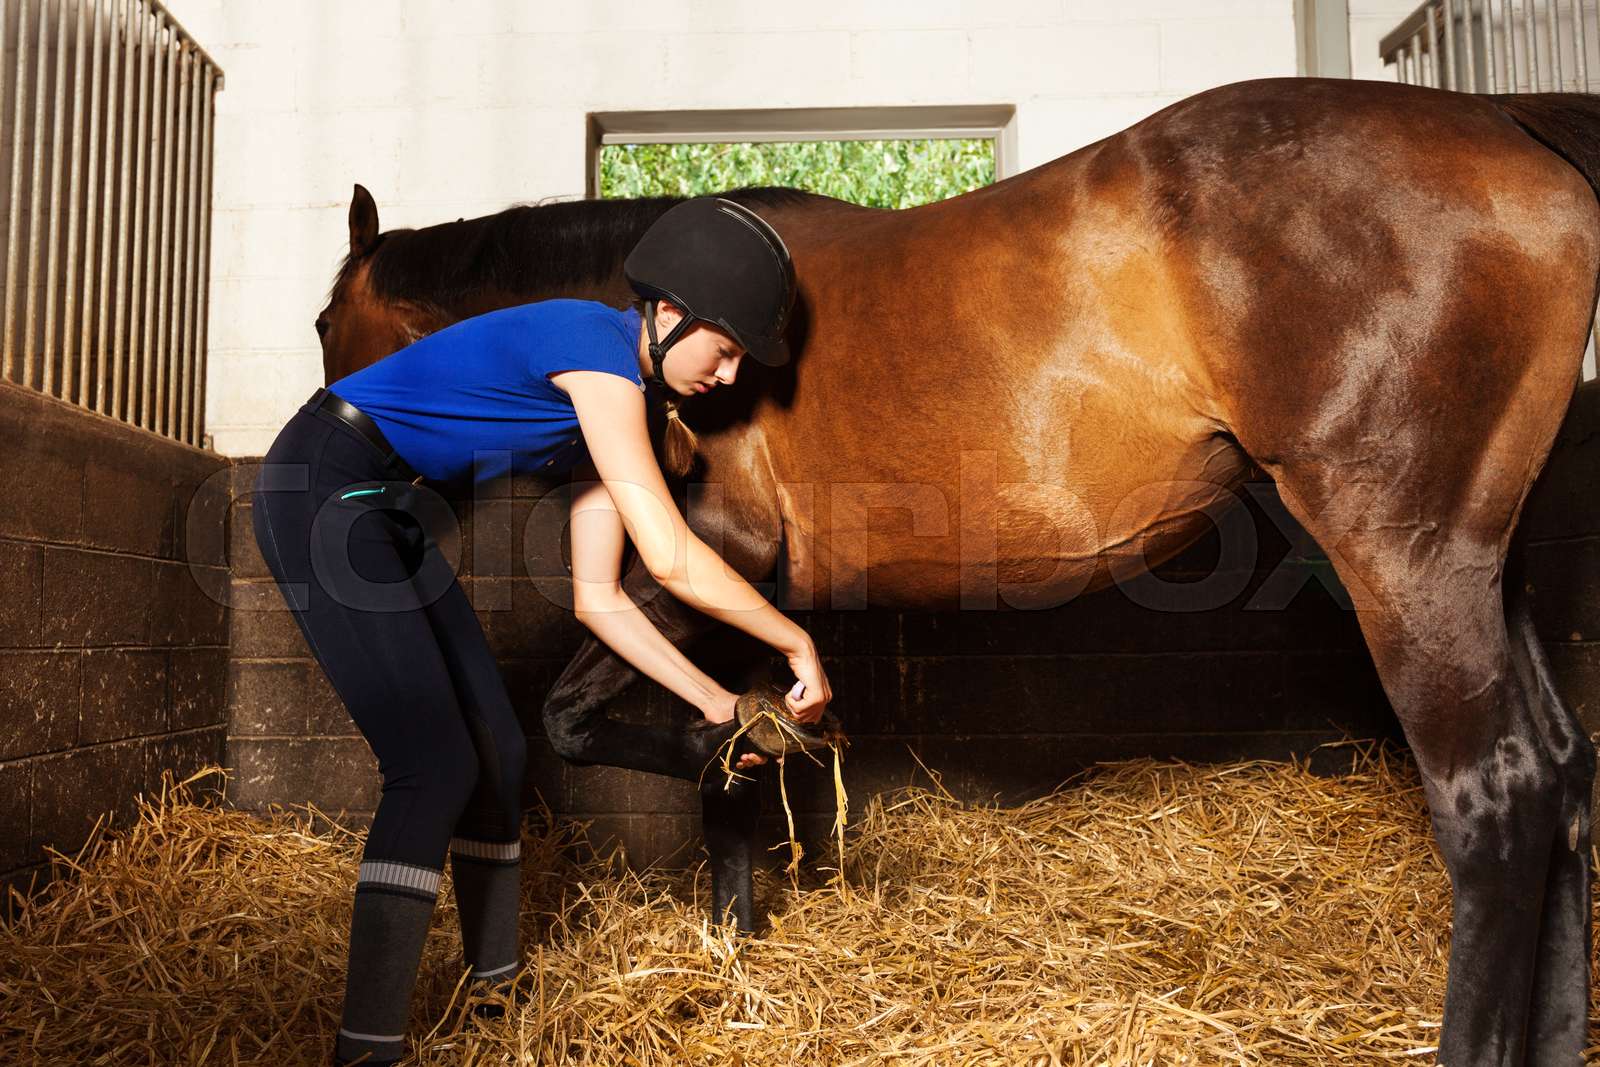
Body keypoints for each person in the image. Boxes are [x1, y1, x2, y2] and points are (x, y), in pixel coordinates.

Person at [249, 196, 833, 1067]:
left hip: (386, 505)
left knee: (499, 749)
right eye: (727, 347)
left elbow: (601, 597)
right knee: (434, 764)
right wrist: (796, 641)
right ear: (668, 314)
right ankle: (366, 1049)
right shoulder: (594, 350)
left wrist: (718, 705)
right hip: (322, 479)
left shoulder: (618, 404)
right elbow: (668, 556)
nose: (732, 373)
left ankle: (496, 994)